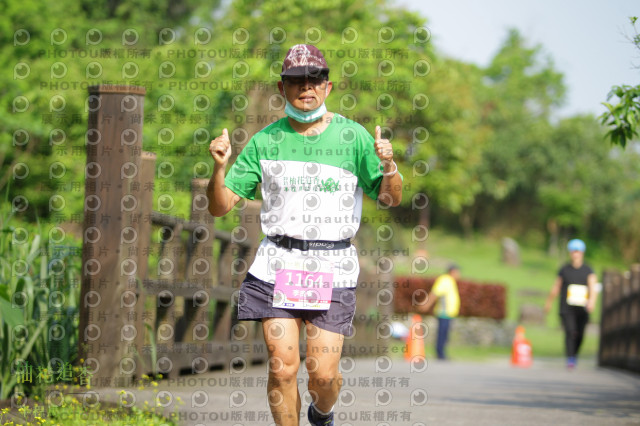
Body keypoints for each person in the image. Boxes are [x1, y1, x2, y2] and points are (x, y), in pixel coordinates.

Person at [206, 44, 403, 426]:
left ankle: (322, 412)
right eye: (296, 80)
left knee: (323, 375)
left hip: (333, 266)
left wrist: (390, 166)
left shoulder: (355, 137)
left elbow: (390, 198)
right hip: (277, 263)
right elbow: (220, 206)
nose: (306, 87)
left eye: (314, 79)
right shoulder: (266, 141)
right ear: (282, 88)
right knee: (281, 368)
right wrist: (218, 169)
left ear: (328, 87)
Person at [545, 239, 597, 369]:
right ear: (570, 253)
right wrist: (549, 302)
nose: (575, 254)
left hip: (582, 308)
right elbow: (556, 286)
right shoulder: (564, 269)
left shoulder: (588, 270)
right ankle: (570, 358)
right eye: (573, 251)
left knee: (580, 333)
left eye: (578, 251)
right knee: (570, 331)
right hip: (567, 307)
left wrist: (592, 301)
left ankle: (574, 354)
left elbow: (593, 286)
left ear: (582, 253)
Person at [420, 264, 460, 360]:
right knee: (442, 334)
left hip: (449, 313)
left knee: (445, 334)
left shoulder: (450, 281)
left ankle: (442, 353)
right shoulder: (445, 280)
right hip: (444, 312)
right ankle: (440, 353)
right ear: (452, 272)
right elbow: (435, 293)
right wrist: (426, 304)